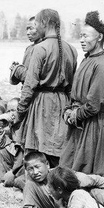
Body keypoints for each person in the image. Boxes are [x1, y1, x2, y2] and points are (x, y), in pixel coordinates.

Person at [60, 11, 104, 180]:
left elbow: (94, 104)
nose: (82, 40)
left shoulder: (101, 65)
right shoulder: (87, 60)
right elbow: (75, 93)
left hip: (91, 125)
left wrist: (75, 114)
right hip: (78, 122)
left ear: (99, 37)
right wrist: (68, 110)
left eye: (86, 36)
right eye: (80, 36)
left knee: (87, 174)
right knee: (68, 166)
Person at [16, 9, 77, 168]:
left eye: (36, 23)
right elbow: (72, 85)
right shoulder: (71, 49)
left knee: (37, 149)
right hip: (63, 102)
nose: (34, 28)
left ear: (44, 23)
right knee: (57, 148)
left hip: (42, 102)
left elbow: (29, 85)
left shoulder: (40, 48)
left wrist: (20, 112)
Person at [0, 98, 25, 187]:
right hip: (15, 160)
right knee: (1, 151)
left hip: (22, 163)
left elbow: (21, 153)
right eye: (9, 111)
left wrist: (13, 171)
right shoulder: (11, 126)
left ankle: (11, 177)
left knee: (10, 181)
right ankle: (2, 177)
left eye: (14, 110)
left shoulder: (24, 125)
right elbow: (0, 143)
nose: (11, 114)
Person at [9, 16, 41, 85]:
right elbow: (24, 77)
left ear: (41, 28)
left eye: (31, 28)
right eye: (27, 29)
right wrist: (14, 69)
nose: (28, 33)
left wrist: (17, 69)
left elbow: (33, 77)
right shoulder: (29, 49)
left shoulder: (44, 49)